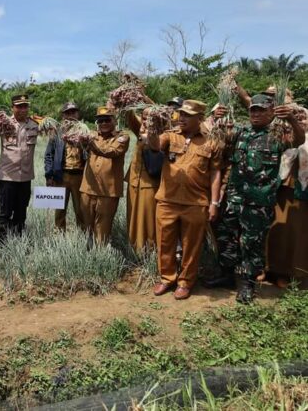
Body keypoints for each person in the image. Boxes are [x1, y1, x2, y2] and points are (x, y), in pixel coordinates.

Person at [213, 94, 305, 304]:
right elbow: (217, 136)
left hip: (259, 202)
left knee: (252, 243)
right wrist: (217, 117)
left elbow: (299, 140)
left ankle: (248, 283)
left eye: (261, 110)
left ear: (272, 112)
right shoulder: (241, 132)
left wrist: (291, 119)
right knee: (227, 236)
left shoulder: (277, 134)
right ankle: (227, 275)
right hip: (235, 198)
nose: (256, 113)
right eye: (253, 109)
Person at [148, 100, 222, 300]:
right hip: (167, 200)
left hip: (196, 202)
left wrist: (214, 203)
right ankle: (167, 278)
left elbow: (216, 173)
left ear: (200, 118)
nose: (182, 118)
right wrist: (153, 127)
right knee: (165, 241)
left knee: (192, 245)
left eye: (187, 115)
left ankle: (185, 282)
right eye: (181, 114)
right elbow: (154, 145)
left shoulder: (212, 141)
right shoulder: (170, 135)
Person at [0, 94, 39, 241]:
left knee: (21, 212)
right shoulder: (4, 123)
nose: (22, 109)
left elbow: (53, 132)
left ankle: (18, 241)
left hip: (25, 177)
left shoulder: (35, 124)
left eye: (25, 106)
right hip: (7, 176)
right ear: (12, 108)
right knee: (5, 212)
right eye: (19, 106)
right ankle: (3, 242)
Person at [266, 107, 308, 287]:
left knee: (298, 234)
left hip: (302, 195)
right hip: (281, 191)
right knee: (278, 232)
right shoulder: (282, 138)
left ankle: (296, 273)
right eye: (295, 117)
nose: (299, 121)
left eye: (302, 117)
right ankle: (275, 271)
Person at [78, 107, 129, 245]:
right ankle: (86, 252)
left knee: (103, 227)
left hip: (108, 191)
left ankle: (100, 256)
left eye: (107, 119)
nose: (104, 123)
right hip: (88, 188)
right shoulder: (91, 135)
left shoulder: (122, 137)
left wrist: (92, 145)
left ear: (114, 120)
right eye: (100, 120)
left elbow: (112, 152)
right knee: (86, 225)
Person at [44, 102, 86, 230]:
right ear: (63, 115)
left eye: (73, 112)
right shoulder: (57, 132)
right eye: (68, 113)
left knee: (81, 209)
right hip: (61, 175)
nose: (71, 115)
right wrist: (48, 175)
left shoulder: (84, 130)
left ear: (77, 114)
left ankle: (83, 233)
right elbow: (49, 155)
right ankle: (59, 233)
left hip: (79, 175)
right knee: (60, 208)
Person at [125, 108, 161, 252]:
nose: (146, 122)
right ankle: (135, 249)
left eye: (150, 119)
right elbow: (129, 116)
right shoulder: (139, 130)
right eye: (144, 118)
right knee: (132, 217)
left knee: (147, 219)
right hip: (134, 180)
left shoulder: (161, 134)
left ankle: (150, 250)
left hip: (150, 183)